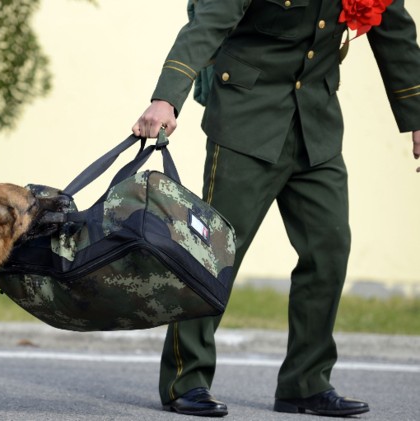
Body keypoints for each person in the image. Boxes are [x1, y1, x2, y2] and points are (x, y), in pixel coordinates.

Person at [132, 0, 420, 417]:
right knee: (213, 254)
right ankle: (185, 380)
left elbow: (394, 35)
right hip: (246, 121)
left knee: (329, 250)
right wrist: (166, 99)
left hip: (316, 127)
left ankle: (305, 384)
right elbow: (207, 25)